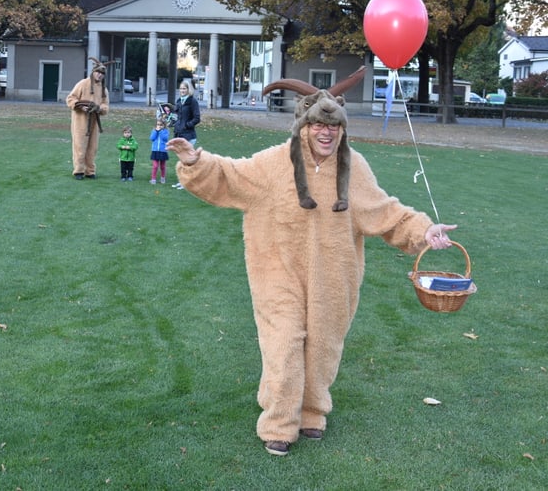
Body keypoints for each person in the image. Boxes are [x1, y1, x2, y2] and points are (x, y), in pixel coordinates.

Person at [166, 113, 457, 456]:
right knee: (284, 343)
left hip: (333, 276)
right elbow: (233, 175)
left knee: (323, 347)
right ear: (303, 127)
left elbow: (384, 211)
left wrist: (423, 230)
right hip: (277, 272)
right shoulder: (276, 161)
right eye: (318, 124)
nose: (326, 132)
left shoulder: (354, 166)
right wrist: (196, 162)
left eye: (334, 126)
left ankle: (311, 412)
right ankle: (278, 424)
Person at [66, 59, 110, 179]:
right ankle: (79, 170)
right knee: (80, 145)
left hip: (94, 120)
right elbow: (71, 98)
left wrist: (99, 108)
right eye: (98, 72)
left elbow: (105, 105)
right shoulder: (82, 84)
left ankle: (90, 171)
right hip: (81, 120)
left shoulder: (103, 89)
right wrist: (80, 106)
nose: (100, 75)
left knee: (92, 146)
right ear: (93, 72)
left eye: (102, 74)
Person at [171, 80, 201, 189]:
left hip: (188, 135)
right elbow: (176, 116)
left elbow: (197, 118)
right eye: (181, 88)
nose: (182, 90)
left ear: (189, 90)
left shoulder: (192, 102)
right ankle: (182, 181)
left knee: (187, 160)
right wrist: (172, 122)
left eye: (184, 88)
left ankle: (187, 182)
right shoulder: (179, 101)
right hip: (179, 134)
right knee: (182, 160)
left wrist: (187, 125)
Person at [149, 117, 169, 185]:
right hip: (155, 150)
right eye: (158, 124)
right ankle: (153, 179)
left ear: (164, 125)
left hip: (163, 151)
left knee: (162, 166)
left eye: (161, 125)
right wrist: (156, 131)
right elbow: (152, 138)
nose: (159, 126)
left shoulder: (165, 131)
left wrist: (160, 131)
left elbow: (165, 139)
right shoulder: (154, 131)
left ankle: (163, 178)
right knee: (155, 166)